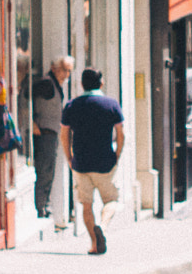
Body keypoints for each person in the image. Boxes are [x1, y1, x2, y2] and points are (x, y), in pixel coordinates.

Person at [60, 69, 126, 254]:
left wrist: (69, 158)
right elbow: (121, 134)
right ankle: (103, 227)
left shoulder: (72, 106)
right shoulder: (111, 104)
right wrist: (117, 155)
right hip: (105, 161)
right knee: (111, 200)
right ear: (101, 83)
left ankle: (95, 244)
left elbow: (64, 135)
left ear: (82, 84)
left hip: (81, 163)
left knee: (86, 204)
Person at [30, 56, 72, 224]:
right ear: (54, 68)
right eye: (64, 70)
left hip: (52, 132)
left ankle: (44, 205)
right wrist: (31, 122)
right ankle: (41, 206)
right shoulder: (46, 84)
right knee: (44, 170)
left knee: (49, 170)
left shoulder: (55, 84)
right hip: (44, 132)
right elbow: (25, 99)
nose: (67, 74)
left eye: (69, 71)